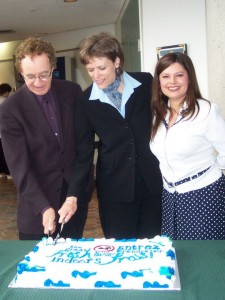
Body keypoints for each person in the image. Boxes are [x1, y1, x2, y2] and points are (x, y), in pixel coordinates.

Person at [60, 32, 163, 239]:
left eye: (101, 68)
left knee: (153, 245)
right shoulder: (85, 101)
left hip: (152, 181)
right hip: (114, 188)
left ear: (116, 61)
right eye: (90, 69)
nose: (96, 75)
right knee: (121, 248)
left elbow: (167, 116)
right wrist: (72, 195)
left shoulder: (145, 83)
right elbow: (83, 154)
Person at [0, 37, 94, 240]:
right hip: (36, 204)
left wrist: (74, 195)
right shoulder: (10, 109)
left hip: (73, 199)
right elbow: (20, 169)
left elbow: (83, 148)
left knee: (72, 260)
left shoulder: (72, 92)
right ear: (21, 74)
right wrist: (44, 207)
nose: (38, 82)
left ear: (52, 67)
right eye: (30, 76)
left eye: (44, 74)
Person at [150, 52, 225, 240]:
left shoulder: (205, 110)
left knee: (203, 257)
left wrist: (217, 180)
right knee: (176, 253)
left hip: (204, 195)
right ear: (159, 82)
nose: (172, 81)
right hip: (170, 197)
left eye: (179, 75)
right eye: (165, 76)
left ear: (189, 77)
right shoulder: (159, 114)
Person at [0, 83, 12, 179]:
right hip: (4, 132)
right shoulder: (6, 102)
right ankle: (8, 172)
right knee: (6, 153)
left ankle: (2, 172)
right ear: (6, 91)